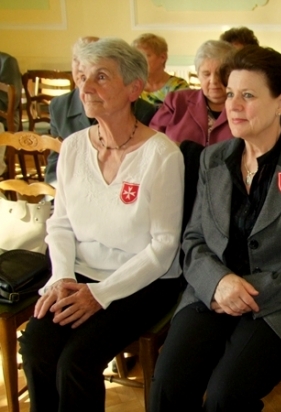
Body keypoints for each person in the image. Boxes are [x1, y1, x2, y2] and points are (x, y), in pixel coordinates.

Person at [148, 45, 281, 411]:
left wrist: (249, 290)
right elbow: (193, 240)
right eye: (230, 94)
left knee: (225, 396)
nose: (233, 106)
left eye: (248, 96)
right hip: (213, 294)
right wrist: (219, 283)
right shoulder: (213, 159)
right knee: (168, 387)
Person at [19, 38, 184, 412]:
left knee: (75, 363)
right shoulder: (74, 147)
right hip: (79, 273)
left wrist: (101, 294)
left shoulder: (162, 155)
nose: (86, 87)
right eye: (83, 77)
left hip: (142, 281)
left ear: (134, 89)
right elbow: (60, 224)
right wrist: (62, 278)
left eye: (102, 77)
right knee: (36, 348)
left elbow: (163, 247)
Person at [45, 36, 157, 186]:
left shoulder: (144, 111)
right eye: (76, 60)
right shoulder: (59, 108)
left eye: (101, 77)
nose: (86, 86)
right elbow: (55, 165)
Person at [149, 40, 234, 146]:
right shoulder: (177, 101)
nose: (213, 81)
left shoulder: (243, 106)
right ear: (198, 75)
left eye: (220, 73)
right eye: (206, 74)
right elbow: (152, 139)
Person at [132, 33, 189, 107]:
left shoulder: (179, 86)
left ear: (162, 57)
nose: (140, 61)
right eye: (137, 56)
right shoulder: (132, 86)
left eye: (146, 56)